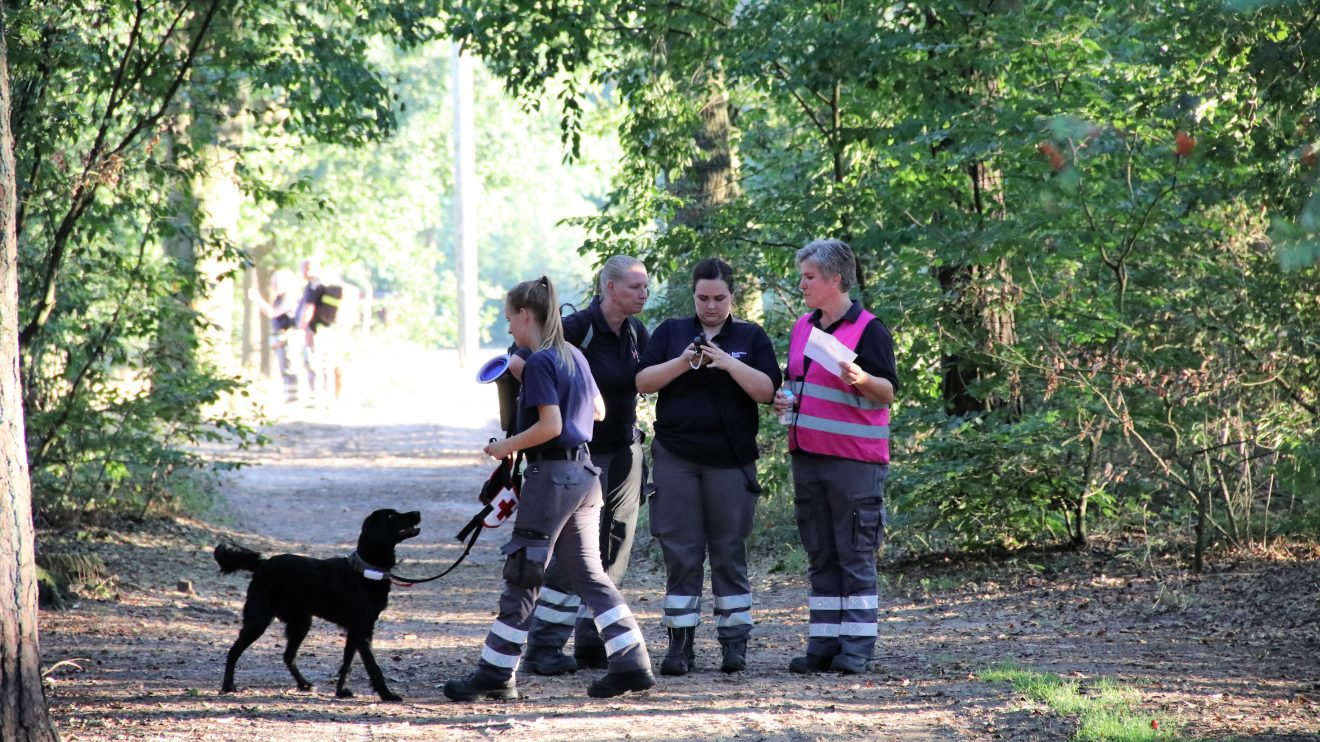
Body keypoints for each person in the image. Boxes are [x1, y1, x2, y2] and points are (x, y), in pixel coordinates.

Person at [443, 276, 655, 702]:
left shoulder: (541, 361)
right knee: (591, 575)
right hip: (586, 475)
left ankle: (496, 671)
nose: (509, 331)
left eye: (509, 319)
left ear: (526, 315)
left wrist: (503, 446)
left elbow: (551, 426)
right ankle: (631, 662)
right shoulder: (574, 354)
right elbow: (597, 410)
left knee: (523, 572)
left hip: (552, 477)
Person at [635, 257, 781, 676]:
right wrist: (683, 361)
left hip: (730, 461)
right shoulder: (671, 332)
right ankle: (680, 646)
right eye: (703, 298)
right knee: (680, 552)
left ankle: (734, 645)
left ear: (732, 296)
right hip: (676, 457)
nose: (711, 306)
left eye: (719, 298)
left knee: (728, 551)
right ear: (693, 295)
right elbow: (643, 382)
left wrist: (729, 362)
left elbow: (767, 391)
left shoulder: (750, 336)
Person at [516, 256, 652, 676]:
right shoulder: (575, 329)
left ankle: (596, 641)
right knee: (575, 554)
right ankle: (545, 645)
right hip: (583, 457)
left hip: (627, 449)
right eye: (635, 287)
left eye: (646, 287)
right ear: (609, 288)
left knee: (616, 545)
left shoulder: (635, 332)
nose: (643, 295)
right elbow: (518, 360)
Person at [772, 238, 899, 676]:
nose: (802, 284)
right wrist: (784, 400)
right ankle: (823, 644)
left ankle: (857, 647)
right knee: (821, 555)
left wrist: (863, 377)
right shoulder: (803, 327)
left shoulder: (869, 329)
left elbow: (887, 392)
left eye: (809, 277)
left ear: (835, 279)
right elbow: (794, 382)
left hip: (855, 462)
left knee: (855, 554)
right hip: (806, 456)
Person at [248, 268, 301, 403]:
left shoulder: (289, 297)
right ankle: (289, 397)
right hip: (281, 336)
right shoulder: (280, 298)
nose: (274, 285)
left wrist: (257, 299)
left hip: (288, 336)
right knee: (284, 368)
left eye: (277, 282)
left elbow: (272, 313)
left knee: (289, 367)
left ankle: (293, 398)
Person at [295, 257, 339, 406]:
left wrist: (303, 328)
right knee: (325, 364)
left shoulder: (314, 286)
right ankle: (327, 397)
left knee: (316, 364)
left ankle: (317, 396)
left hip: (316, 331)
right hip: (327, 330)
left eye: (306, 268)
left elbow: (309, 308)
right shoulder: (323, 284)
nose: (303, 271)